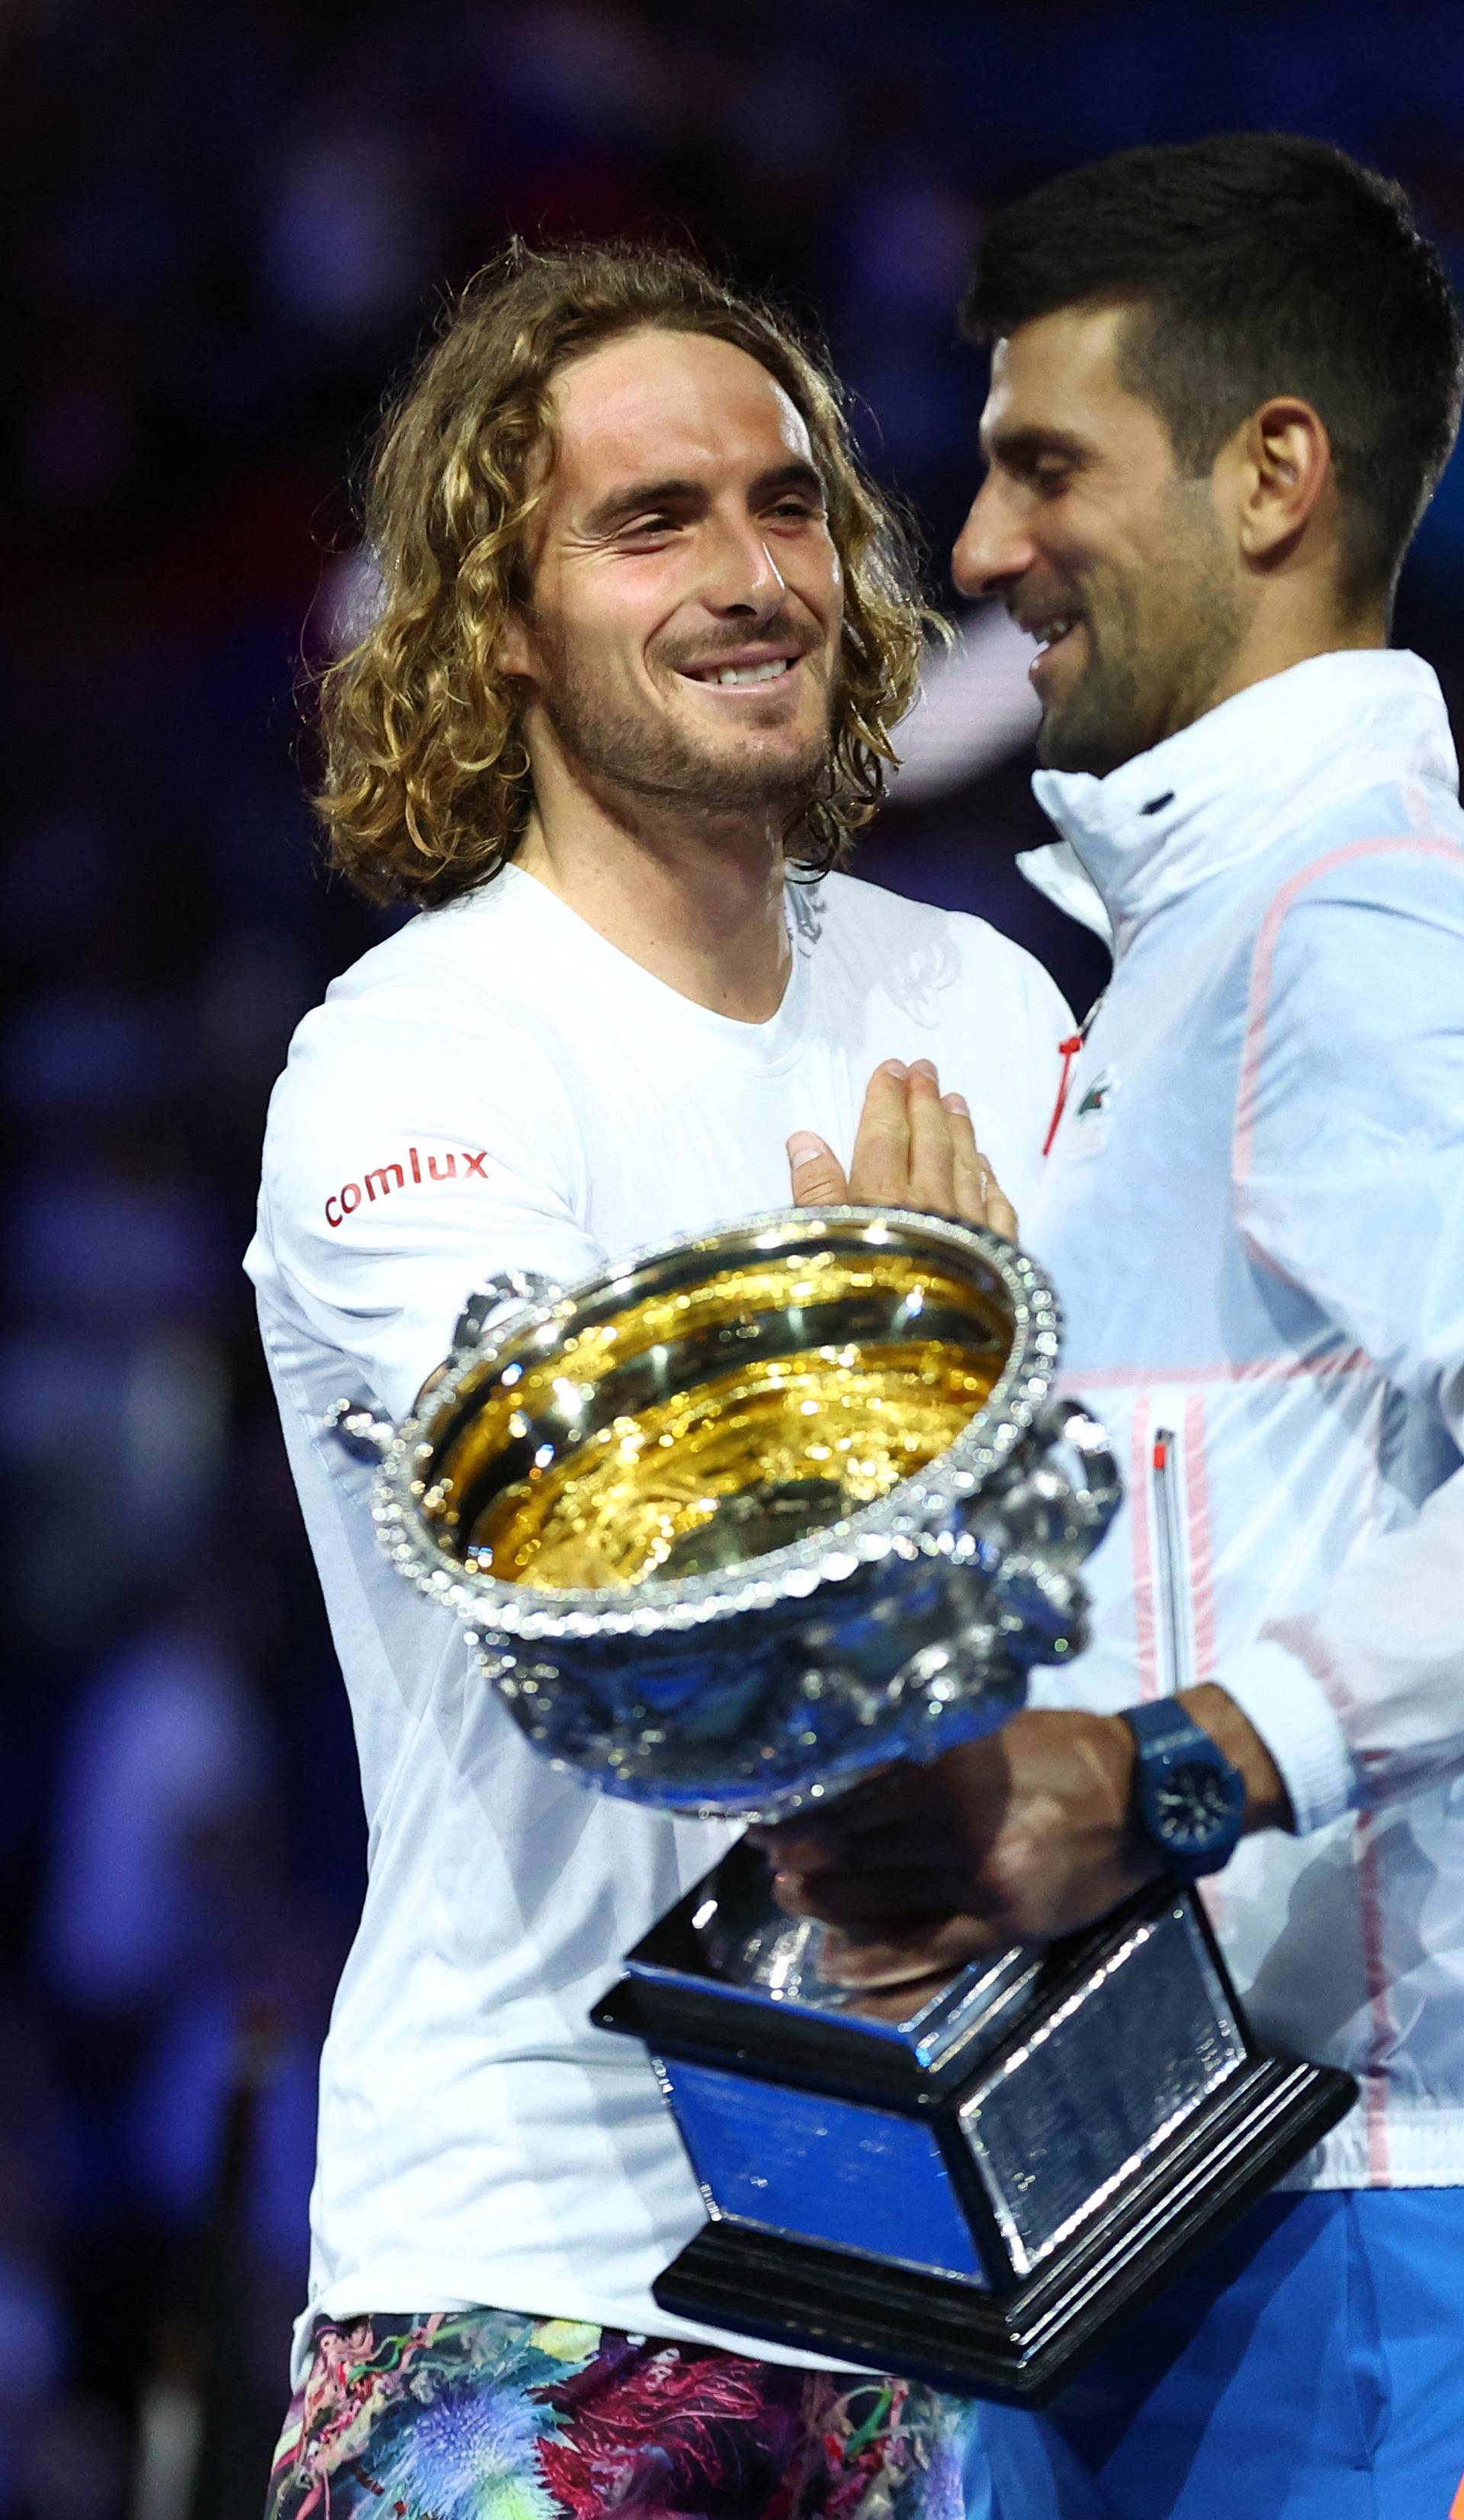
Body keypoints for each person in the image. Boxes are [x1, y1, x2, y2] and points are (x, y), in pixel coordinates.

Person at [246, 240, 1072, 2518]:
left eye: (786, 504)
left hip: (979, 2279)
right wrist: (922, 1356)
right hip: (536, 2275)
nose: (752, 575)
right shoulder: (413, 1061)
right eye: (654, 521)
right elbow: (617, 1595)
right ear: (496, 620)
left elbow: (1158, 1551)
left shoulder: (993, 1004)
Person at [772, 134, 1464, 2520]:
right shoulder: (1182, 958)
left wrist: (1186, 1758)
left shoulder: (1353, 920)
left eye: (1041, 464)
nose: (973, 552)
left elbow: (1161, 1739)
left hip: (1364, 2258)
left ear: (1275, 474)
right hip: (1149, 2236)